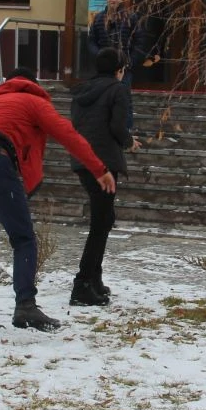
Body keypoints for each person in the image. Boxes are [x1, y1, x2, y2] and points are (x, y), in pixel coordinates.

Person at [0, 66, 114, 333]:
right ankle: (26, 305)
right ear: (32, 84)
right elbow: (68, 134)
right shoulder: (32, 101)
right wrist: (99, 170)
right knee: (23, 238)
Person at [69, 48, 133, 307]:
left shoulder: (82, 91)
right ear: (119, 69)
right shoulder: (118, 90)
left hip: (82, 158)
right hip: (104, 163)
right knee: (100, 223)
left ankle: (94, 279)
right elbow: (117, 126)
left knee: (104, 220)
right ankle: (83, 284)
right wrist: (128, 142)